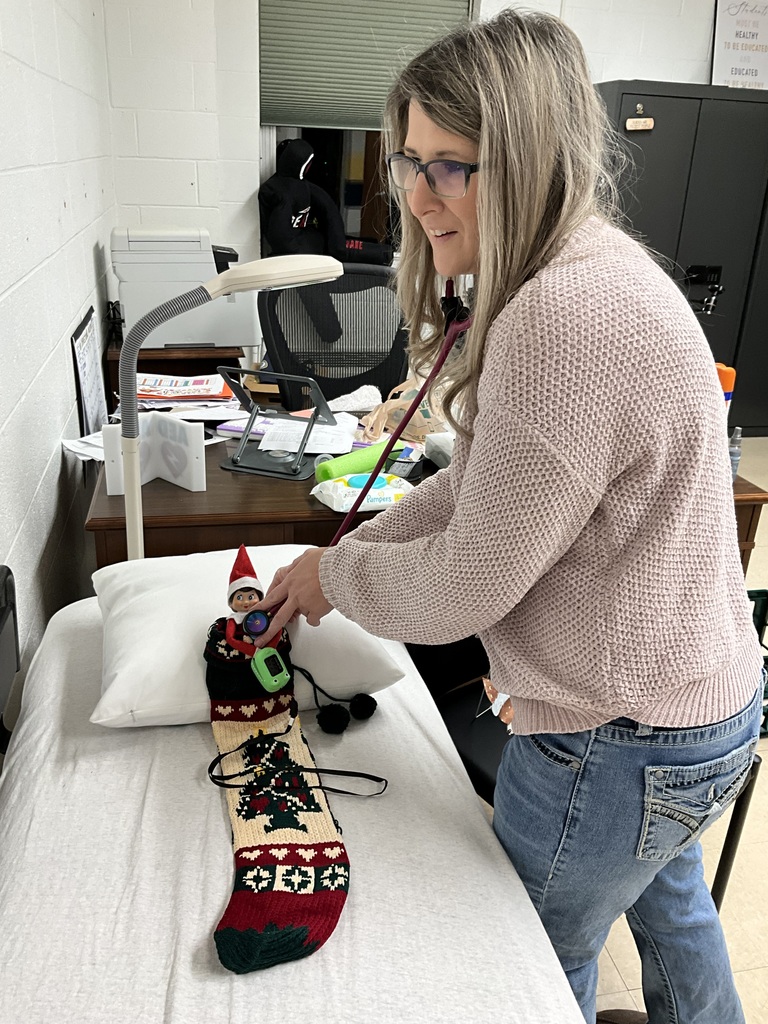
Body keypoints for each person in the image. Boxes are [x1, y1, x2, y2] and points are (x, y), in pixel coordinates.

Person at [247, 10, 764, 1023]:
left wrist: (335, 578)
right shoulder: (596, 268)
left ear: (526, 160)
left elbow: (465, 586)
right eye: (410, 161)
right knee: (677, 920)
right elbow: (480, 487)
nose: (416, 195)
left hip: (619, 739)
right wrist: (343, 554)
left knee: (526, 966)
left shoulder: (557, 318)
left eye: (450, 166)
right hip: (706, 712)